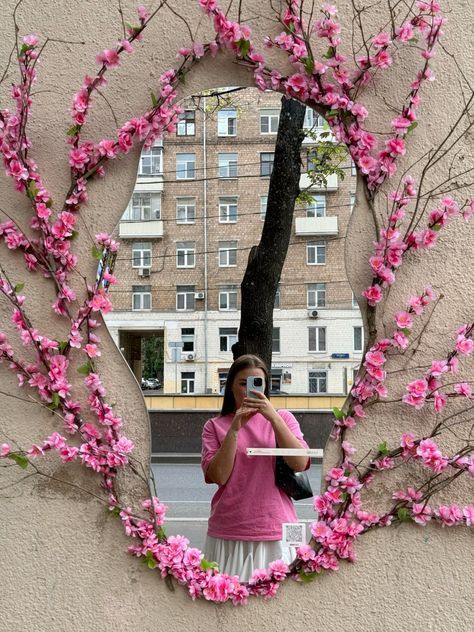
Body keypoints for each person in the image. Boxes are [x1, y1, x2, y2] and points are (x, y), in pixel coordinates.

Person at [201, 354, 310, 582]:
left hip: (277, 526)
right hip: (230, 527)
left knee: (280, 601)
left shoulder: (284, 419)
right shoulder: (215, 426)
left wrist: (273, 418)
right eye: (243, 383)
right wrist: (234, 429)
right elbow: (219, 476)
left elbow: (300, 463)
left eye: (257, 383)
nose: (249, 389)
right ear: (230, 386)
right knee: (225, 604)